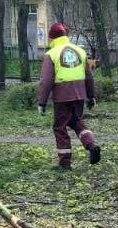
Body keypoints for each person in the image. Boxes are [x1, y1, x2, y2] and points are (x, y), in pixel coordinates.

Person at [37, 22, 101, 169]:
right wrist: (91, 96)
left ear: (51, 38)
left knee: (60, 127)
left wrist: (42, 102)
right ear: (65, 36)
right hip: (80, 93)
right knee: (76, 121)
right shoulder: (80, 51)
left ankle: (64, 163)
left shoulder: (51, 54)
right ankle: (91, 145)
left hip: (62, 95)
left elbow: (46, 81)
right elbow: (89, 76)